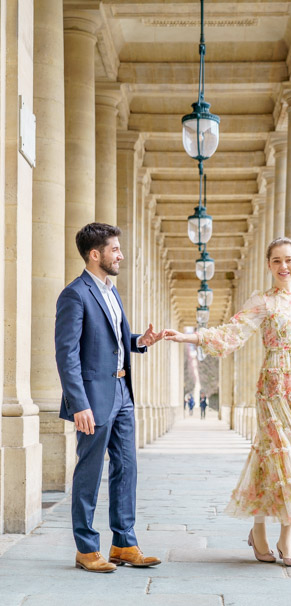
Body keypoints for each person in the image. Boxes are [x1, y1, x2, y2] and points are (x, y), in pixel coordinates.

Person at [164, 237, 291, 567]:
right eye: (277, 261)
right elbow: (233, 332)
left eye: (289, 260)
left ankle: (277, 535)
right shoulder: (263, 302)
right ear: (269, 265)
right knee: (280, 460)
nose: (283, 266)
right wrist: (190, 336)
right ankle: (272, 534)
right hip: (273, 389)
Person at [55, 223, 163, 573]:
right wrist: (79, 404)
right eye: (115, 249)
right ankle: (87, 549)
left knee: (126, 468)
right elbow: (67, 354)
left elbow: (109, 339)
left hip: (122, 392)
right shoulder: (74, 294)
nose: (121, 255)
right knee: (89, 472)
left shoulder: (110, 290)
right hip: (93, 397)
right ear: (95, 254)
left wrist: (137, 341)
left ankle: (124, 543)